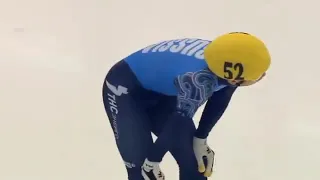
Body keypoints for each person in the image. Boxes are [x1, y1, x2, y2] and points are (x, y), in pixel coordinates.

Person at [102, 32, 271, 180]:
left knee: (194, 163)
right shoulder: (199, 81)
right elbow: (176, 124)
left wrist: (201, 139)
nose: (263, 76)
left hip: (162, 91)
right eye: (258, 74)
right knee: (140, 171)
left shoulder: (225, 56)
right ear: (235, 78)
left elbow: (222, 94)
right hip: (124, 91)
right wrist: (153, 160)